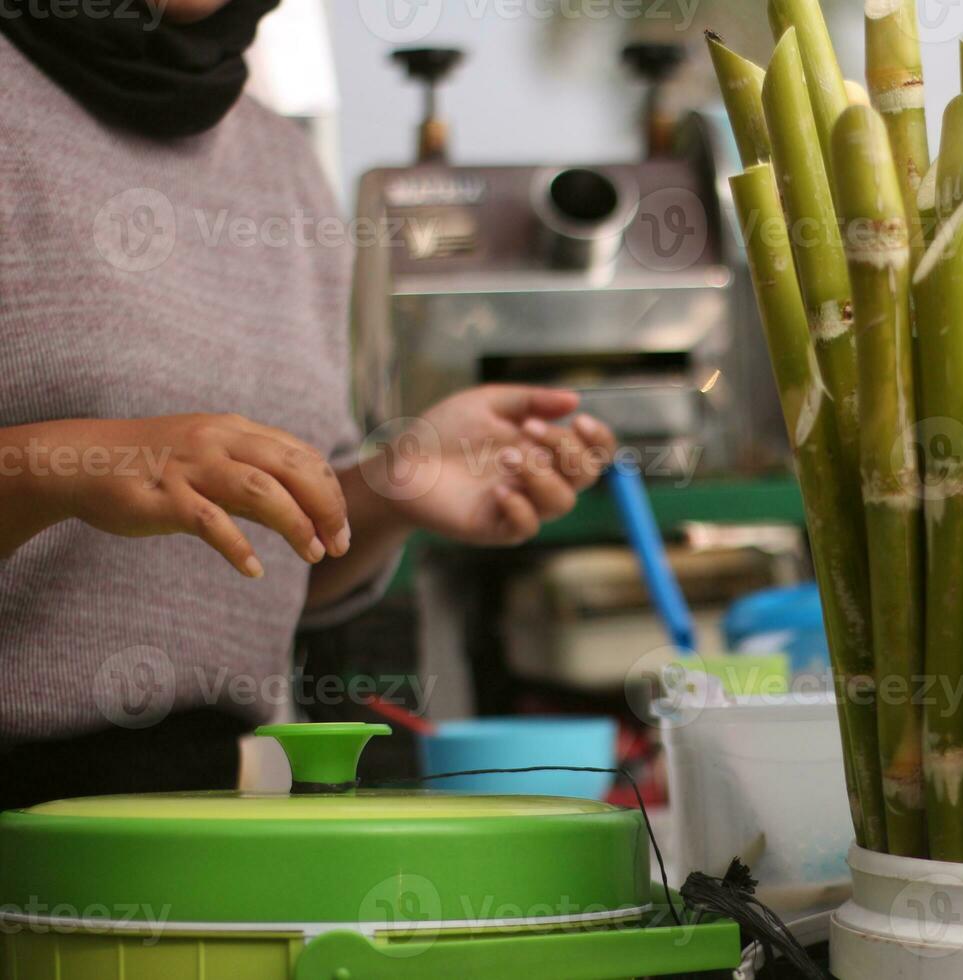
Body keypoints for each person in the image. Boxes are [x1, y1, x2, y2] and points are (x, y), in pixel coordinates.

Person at [0, 0, 617, 808]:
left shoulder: (278, 162)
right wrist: (56, 464)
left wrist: (384, 490)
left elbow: (263, 559)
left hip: (208, 826)